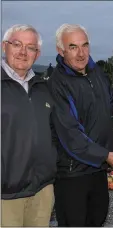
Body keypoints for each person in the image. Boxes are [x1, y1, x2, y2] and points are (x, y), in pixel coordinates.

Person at [47, 23, 113, 227]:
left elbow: (106, 101)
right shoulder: (58, 83)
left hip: (98, 168)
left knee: (97, 218)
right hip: (73, 172)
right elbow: (70, 132)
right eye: (73, 47)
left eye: (85, 45)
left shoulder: (95, 72)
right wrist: (106, 155)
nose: (81, 53)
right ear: (61, 50)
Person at [1, 24, 56, 226]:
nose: (23, 52)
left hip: (42, 190)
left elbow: (56, 130)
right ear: (4, 46)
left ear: (38, 53)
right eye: (17, 44)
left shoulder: (43, 87)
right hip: (6, 195)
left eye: (30, 47)